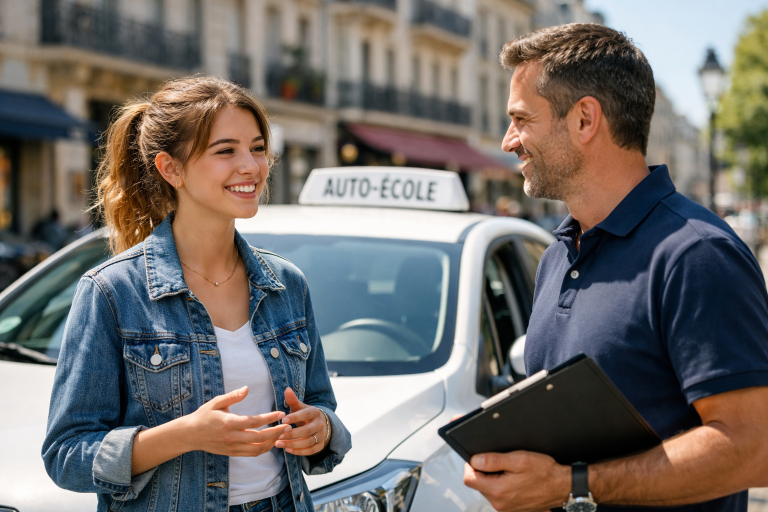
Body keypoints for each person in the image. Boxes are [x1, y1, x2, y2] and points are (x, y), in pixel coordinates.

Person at [462, 23, 768, 512]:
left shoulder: (697, 254)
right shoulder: (558, 253)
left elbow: (754, 447)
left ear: (585, 119)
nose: (508, 141)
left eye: (521, 119)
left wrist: (572, 483)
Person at [42, 76, 351, 512]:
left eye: (258, 148)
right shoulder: (112, 292)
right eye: (226, 151)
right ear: (171, 169)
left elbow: (322, 406)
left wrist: (320, 428)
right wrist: (186, 435)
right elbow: (66, 454)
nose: (251, 166)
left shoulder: (286, 284)